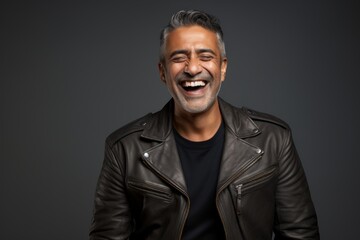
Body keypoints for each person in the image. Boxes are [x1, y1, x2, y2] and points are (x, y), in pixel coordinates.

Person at [89, 9, 319, 240]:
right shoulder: (124, 149)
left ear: (223, 67)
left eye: (205, 56)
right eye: (179, 58)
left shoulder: (273, 139)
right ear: (162, 72)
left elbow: (300, 234)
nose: (192, 68)